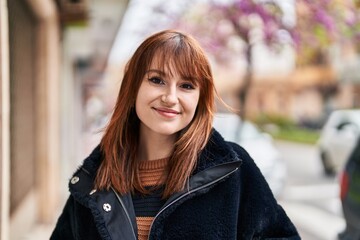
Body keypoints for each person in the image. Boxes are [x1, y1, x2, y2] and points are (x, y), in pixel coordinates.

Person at [51, 29, 300, 240]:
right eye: (157, 80)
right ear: (133, 87)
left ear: (200, 98)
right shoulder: (93, 180)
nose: (170, 97)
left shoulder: (232, 168)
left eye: (187, 86)